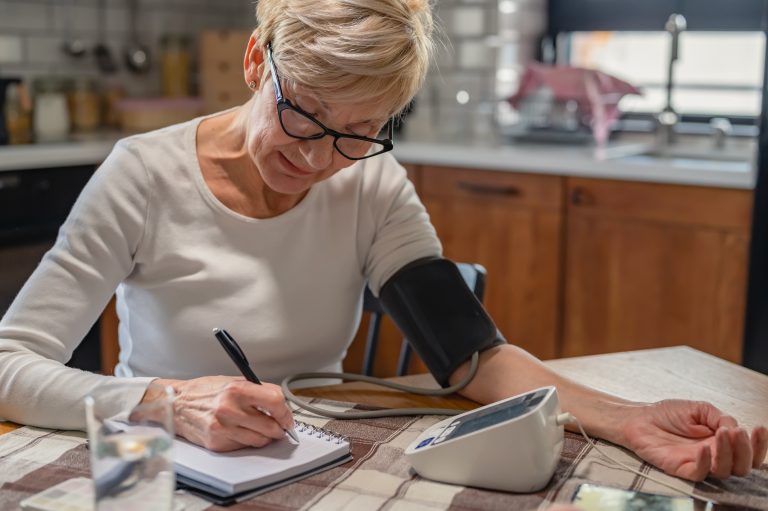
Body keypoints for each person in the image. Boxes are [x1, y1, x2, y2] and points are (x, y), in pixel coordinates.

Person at [0, 0, 765, 486]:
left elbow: (472, 352)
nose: (316, 158)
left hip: (301, 466)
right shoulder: (142, 174)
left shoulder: (370, 182)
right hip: (152, 466)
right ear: (255, 62)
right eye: (303, 113)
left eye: (356, 131)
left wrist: (627, 417)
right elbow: (9, 365)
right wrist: (164, 400)